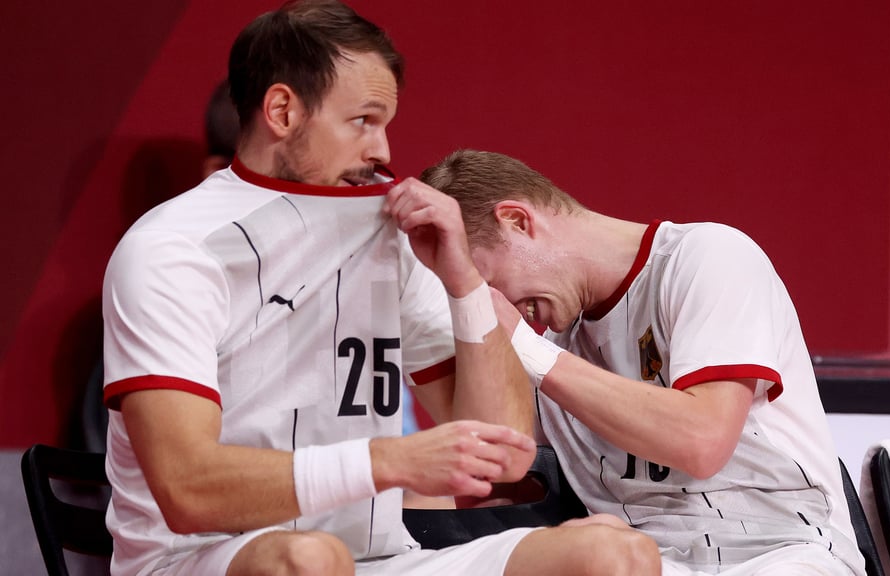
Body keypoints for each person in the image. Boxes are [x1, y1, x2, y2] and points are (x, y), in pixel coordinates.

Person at [101, 2, 659, 576]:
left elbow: (502, 455)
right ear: (282, 110)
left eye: (386, 123)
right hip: (198, 559)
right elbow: (187, 489)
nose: (385, 152)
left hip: (377, 557)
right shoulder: (173, 249)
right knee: (310, 559)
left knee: (614, 553)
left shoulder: (390, 237)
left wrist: (463, 282)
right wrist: (390, 461)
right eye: (363, 121)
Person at [422, 149, 868, 576]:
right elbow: (497, 484)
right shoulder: (548, 346)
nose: (498, 308)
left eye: (485, 285)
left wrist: (528, 349)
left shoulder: (708, 257)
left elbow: (702, 443)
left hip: (783, 553)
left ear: (517, 221)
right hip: (647, 561)